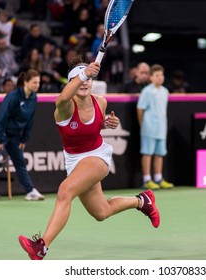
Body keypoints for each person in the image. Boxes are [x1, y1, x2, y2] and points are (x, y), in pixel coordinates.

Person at [18, 59, 160, 260]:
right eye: (78, 78)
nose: (84, 83)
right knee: (101, 212)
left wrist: (108, 123)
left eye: (88, 78)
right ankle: (142, 201)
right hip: (74, 161)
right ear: (71, 82)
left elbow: (95, 126)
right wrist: (84, 73)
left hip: (98, 157)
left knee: (65, 191)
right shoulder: (65, 107)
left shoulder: (100, 102)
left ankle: (41, 247)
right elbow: (61, 99)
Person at [0, 69, 45, 204]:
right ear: (26, 82)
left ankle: (30, 191)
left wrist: (24, 138)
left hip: (14, 134)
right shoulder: (13, 97)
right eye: (34, 82)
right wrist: (0, 139)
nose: (37, 85)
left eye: (38, 83)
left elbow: (30, 120)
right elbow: (3, 118)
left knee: (20, 161)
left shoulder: (34, 97)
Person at [137, 64, 174, 190]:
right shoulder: (146, 91)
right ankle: (147, 179)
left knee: (160, 154)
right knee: (147, 153)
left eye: (161, 75)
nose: (160, 78)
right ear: (151, 77)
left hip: (161, 128)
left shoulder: (165, 91)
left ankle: (158, 178)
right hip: (148, 127)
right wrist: (143, 125)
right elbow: (140, 109)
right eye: (157, 75)